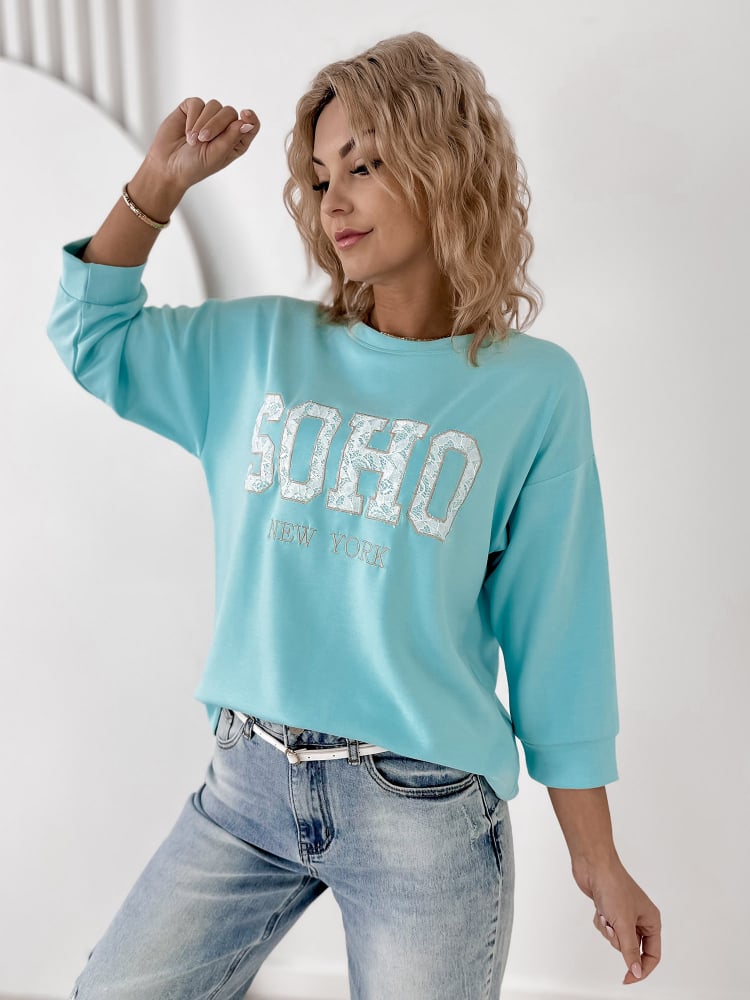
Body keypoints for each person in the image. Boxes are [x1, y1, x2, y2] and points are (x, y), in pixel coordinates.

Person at [48, 30, 661, 1000]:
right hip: (248, 784)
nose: (333, 199)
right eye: (321, 174)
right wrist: (157, 187)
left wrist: (598, 859)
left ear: (446, 166)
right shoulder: (258, 350)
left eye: (365, 165)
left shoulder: (533, 391)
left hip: (422, 806)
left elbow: (559, 639)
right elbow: (93, 337)